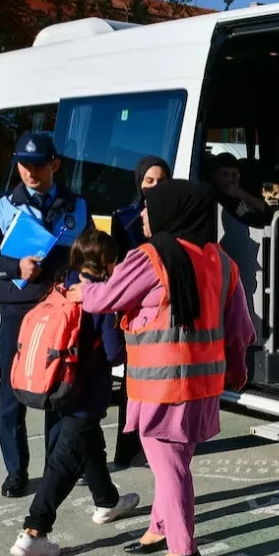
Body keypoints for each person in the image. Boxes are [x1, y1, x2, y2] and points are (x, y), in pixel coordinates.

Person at [68, 180, 255, 556]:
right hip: (204, 385)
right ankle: (159, 527)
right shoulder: (222, 261)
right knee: (176, 458)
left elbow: (104, 299)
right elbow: (239, 327)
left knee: (167, 463)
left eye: (149, 209)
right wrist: (238, 367)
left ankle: (183, 545)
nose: (142, 216)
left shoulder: (150, 258)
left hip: (162, 383)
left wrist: (80, 290)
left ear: (171, 212)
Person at [0, 132, 89, 498]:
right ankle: (16, 470)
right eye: (23, 165)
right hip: (18, 310)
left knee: (60, 387)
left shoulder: (76, 206)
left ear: (55, 164)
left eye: (37, 165)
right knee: (13, 389)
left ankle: (57, 466)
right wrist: (14, 266)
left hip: (60, 310)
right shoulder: (4, 206)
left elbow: (88, 255)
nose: (30, 172)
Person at [9, 229, 140, 556]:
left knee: (90, 445)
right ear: (108, 262)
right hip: (86, 393)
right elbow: (114, 355)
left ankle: (106, 502)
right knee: (65, 460)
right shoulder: (100, 298)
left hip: (59, 387)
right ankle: (34, 531)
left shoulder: (63, 285)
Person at [107, 156, 173, 470]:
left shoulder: (178, 215)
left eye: (161, 181)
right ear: (139, 183)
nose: (155, 187)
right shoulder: (125, 218)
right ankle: (129, 447)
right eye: (149, 181)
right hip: (137, 311)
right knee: (134, 383)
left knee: (162, 381)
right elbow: (118, 268)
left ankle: (158, 441)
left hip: (167, 310)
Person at [208, 154, 269, 225]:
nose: (230, 179)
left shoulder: (243, 194)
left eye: (234, 175)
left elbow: (268, 213)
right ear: (213, 177)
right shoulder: (210, 198)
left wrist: (243, 195)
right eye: (224, 174)